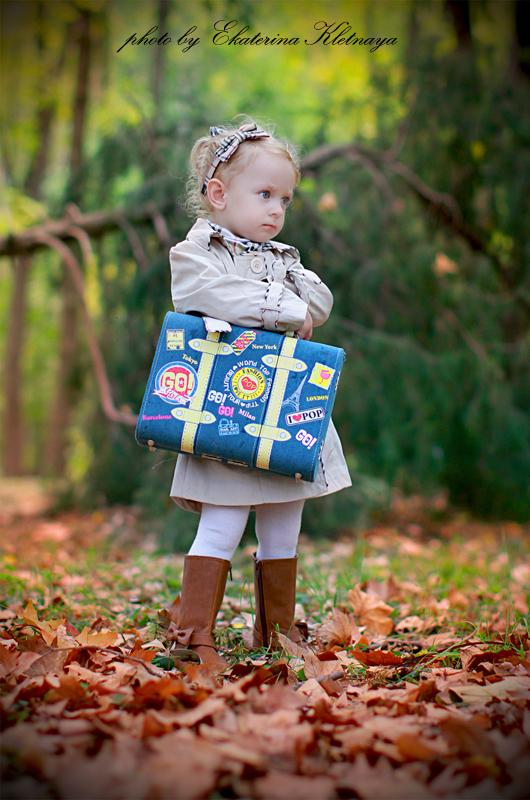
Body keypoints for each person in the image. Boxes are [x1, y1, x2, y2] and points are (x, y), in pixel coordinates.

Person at [167, 119, 351, 671]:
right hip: (225, 410)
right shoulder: (197, 253)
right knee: (223, 520)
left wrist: (296, 296)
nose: (277, 210)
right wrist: (284, 308)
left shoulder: (282, 258)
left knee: (284, 518)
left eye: (285, 199)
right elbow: (209, 295)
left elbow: (320, 305)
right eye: (265, 194)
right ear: (219, 194)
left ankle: (276, 630)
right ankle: (192, 634)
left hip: (284, 409)